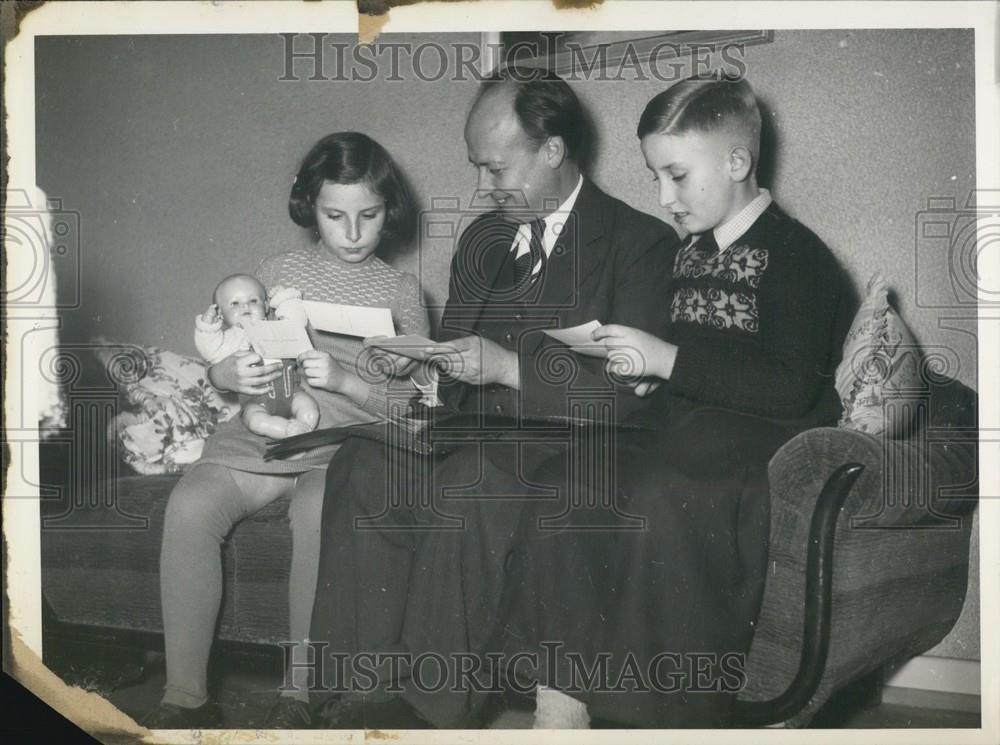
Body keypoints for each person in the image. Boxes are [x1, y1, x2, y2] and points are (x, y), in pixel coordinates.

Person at [305, 68, 681, 729]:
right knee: (361, 464)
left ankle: (429, 709)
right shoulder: (483, 240)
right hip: (468, 436)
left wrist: (509, 367)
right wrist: (419, 366)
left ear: (554, 151)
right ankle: (355, 690)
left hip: (570, 452)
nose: (483, 186)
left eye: (496, 168)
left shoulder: (639, 243)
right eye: (477, 167)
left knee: (472, 482)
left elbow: (628, 398)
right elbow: (453, 366)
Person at [495, 74, 852, 728]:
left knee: (665, 492)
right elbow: (690, 364)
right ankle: (561, 703)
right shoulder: (690, 253)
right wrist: (647, 373)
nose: (664, 197)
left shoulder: (800, 256)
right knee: (565, 481)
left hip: (755, 444)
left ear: (738, 162)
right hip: (681, 429)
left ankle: (660, 717)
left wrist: (669, 360)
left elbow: (790, 384)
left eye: (677, 176)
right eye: (655, 177)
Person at [143, 131, 430, 728]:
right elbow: (228, 355)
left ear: (389, 211)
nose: (351, 234)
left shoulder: (402, 290)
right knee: (191, 503)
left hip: (342, 447)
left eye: (368, 216)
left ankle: (298, 695)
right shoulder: (276, 273)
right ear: (311, 209)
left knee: (317, 513)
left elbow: (415, 404)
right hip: (262, 432)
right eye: (334, 215)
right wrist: (225, 369)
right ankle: (183, 696)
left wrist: (350, 384)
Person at [195, 275, 320, 439]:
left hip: (294, 393)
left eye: (253, 301)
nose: (245, 306)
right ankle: (287, 434)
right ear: (221, 315)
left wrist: (284, 299)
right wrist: (207, 327)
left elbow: (296, 323)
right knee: (257, 422)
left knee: (310, 411)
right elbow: (210, 349)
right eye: (234, 303)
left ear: (266, 306)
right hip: (256, 402)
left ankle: (302, 439)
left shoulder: (276, 327)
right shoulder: (230, 340)